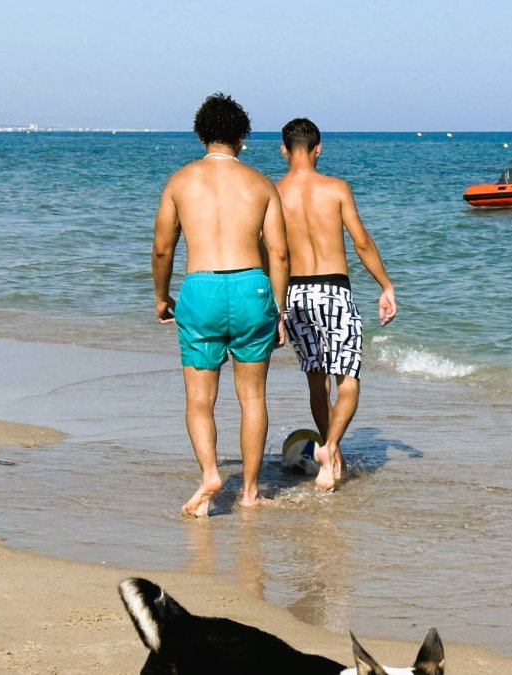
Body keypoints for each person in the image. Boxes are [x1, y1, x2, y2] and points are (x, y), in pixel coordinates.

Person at [152, 93, 289, 517]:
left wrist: (161, 296)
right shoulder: (261, 184)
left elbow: (162, 249)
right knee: (252, 398)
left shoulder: (180, 181)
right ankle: (249, 491)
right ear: (243, 136)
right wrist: (279, 311)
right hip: (252, 288)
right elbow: (280, 254)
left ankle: (211, 473)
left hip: (201, 288)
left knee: (199, 399)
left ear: (200, 134)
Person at [277, 118, 396, 492]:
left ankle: (332, 456)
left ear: (283, 149)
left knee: (317, 381)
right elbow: (361, 242)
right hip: (334, 291)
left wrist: (275, 307)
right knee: (348, 383)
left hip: (295, 294)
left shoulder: (272, 193)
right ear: (319, 148)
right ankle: (329, 449)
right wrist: (385, 285)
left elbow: (273, 254)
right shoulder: (336, 188)